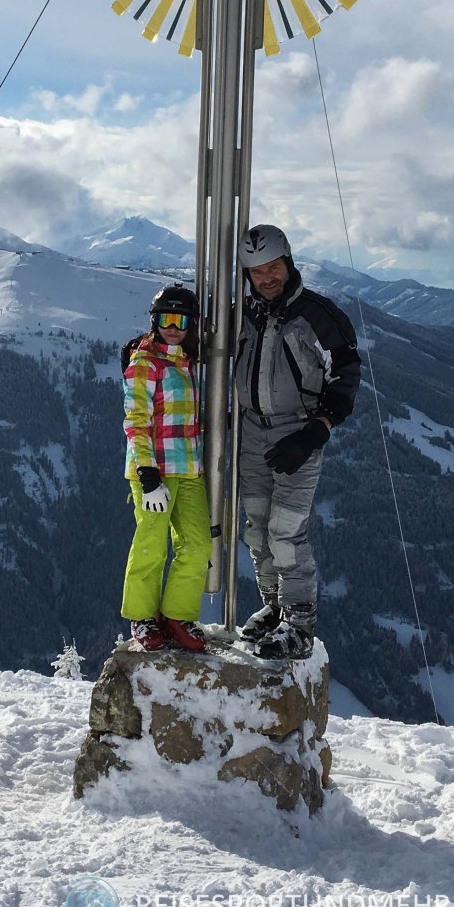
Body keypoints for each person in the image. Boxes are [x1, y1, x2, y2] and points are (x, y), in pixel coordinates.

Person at [234, 225, 360, 660]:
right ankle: (274, 606)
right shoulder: (243, 313)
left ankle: (300, 623)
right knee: (257, 526)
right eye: (256, 271)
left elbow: (346, 371)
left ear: (288, 262)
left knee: (286, 529)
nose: (266, 277)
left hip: (298, 430)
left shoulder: (317, 314)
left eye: (273, 268)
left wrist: (317, 429)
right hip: (250, 429)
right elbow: (201, 345)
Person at [120, 284, 212, 653]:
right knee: (151, 545)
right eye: (165, 318)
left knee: (197, 543)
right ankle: (142, 616)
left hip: (189, 467)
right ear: (154, 321)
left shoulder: (188, 361)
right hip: (154, 469)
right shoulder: (144, 361)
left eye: (181, 319)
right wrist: (147, 474)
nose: (172, 326)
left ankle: (176, 614)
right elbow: (136, 419)